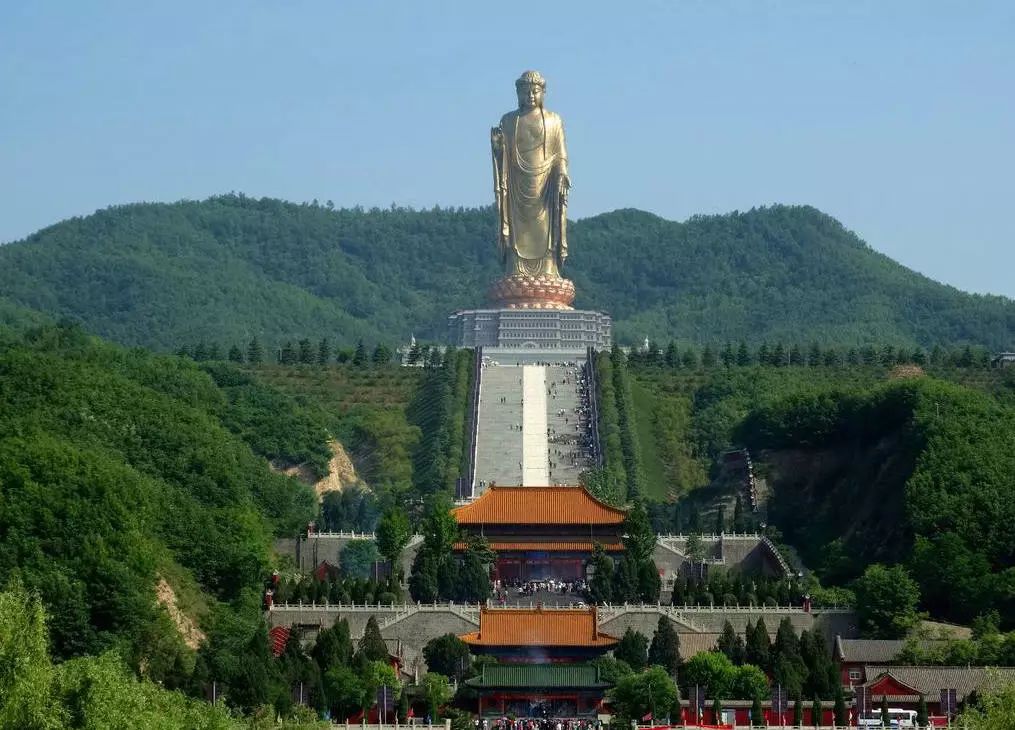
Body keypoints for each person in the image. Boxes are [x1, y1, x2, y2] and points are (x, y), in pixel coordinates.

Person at [491, 70, 570, 279]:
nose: (530, 96)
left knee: (546, 228)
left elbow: (561, 155)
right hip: (517, 185)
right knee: (517, 228)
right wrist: (498, 149)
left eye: (535, 92)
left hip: (545, 187)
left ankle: (548, 268)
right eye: (525, 92)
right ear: (518, 94)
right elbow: (503, 157)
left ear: (543, 93)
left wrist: (562, 173)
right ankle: (515, 267)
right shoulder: (508, 121)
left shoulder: (554, 120)